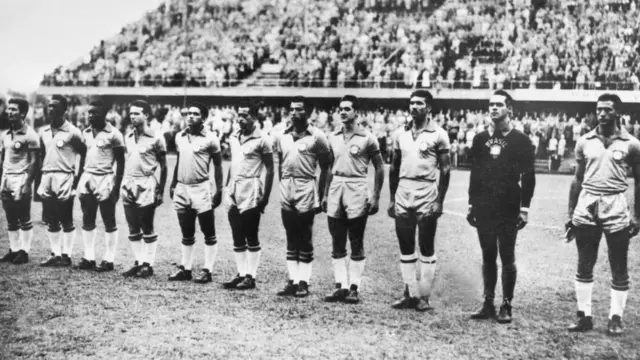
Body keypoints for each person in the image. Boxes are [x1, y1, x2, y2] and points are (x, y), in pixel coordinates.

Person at [566, 93, 640, 336]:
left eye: (608, 109)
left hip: (615, 204)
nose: (602, 113)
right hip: (587, 203)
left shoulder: (631, 143)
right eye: (599, 109)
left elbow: (639, 182)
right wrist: (571, 212)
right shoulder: (585, 141)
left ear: (617, 112)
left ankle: (615, 318)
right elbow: (577, 180)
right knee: (584, 262)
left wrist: (637, 216)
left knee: (618, 263)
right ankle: (583, 316)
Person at [467, 90, 536, 324]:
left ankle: (506, 304)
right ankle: (488, 302)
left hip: (508, 204)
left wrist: (524, 208)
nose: (493, 108)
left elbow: (528, 176)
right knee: (487, 255)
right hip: (484, 205)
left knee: (507, 255)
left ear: (510, 109)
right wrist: (471, 203)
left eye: (499, 105)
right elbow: (475, 174)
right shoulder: (479, 139)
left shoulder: (521, 140)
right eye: (491, 105)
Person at [387, 89, 451, 312]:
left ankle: (424, 296)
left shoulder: (439, 134)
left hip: (426, 192)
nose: (414, 107)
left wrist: (439, 201)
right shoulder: (399, 134)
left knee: (425, 245)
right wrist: (392, 199)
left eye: (419, 104)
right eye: (411, 103)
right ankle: (409, 293)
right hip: (404, 191)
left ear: (429, 108)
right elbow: (393, 168)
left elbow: (445, 169)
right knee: (405, 246)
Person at [322, 95, 384, 304]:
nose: (343, 112)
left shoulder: (367, 138)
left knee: (356, 240)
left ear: (356, 112)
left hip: (357, 187)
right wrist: (324, 193)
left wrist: (375, 196)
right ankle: (341, 285)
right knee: (336, 239)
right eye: (340, 109)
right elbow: (329, 167)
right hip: (336, 187)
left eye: (347, 109)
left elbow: (379, 166)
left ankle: (354, 287)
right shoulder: (333, 136)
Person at [274, 96, 330, 298]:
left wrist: (322, 194)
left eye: (298, 109)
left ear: (308, 112)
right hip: (287, 185)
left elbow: (326, 167)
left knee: (304, 235)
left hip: (306, 185)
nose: (293, 113)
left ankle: (304, 282)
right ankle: (292, 280)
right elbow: (281, 163)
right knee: (290, 235)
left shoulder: (317, 136)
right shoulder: (282, 135)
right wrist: (283, 184)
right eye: (291, 109)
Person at [222, 100, 274, 290]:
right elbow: (233, 163)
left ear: (254, 117)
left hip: (251, 187)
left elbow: (270, 169)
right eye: (239, 115)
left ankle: (251, 276)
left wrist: (265, 197)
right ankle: (241, 273)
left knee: (250, 233)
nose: (241, 119)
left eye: (245, 115)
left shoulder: (263, 139)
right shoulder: (234, 136)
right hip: (234, 187)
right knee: (236, 233)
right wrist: (227, 187)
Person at [168, 102, 223, 284]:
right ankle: (186, 268)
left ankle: (207, 269)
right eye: (189, 113)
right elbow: (178, 161)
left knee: (208, 230)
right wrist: (173, 183)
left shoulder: (211, 138)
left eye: (196, 114)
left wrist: (219, 189)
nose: (191, 116)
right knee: (186, 229)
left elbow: (218, 165)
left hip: (201, 188)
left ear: (204, 118)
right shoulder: (179, 137)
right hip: (183, 188)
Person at [74, 100, 125, 272]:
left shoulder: (114, 134)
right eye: (89, 112)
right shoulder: (85, 132)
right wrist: (79, 178)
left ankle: (109, 259)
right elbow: (83, 157)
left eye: (95, 113)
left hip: (105, 178)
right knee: (87, 217)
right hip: (88, 177)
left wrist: (116, 188)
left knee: (108, 219)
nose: (90, 115)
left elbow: (121, 163)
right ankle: (89, 257)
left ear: (104, 115)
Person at [37, 95, 87, 267]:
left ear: (64, 110)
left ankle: (66, 255)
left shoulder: (73, 132)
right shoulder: (43, 132)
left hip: (65, 176)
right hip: (47, 176)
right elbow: (42, 156)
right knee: (51, 218)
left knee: (66, 217)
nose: (51, 109)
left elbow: (84, 153)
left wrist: (77, 177)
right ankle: (55, 254)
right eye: (49, 106)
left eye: (55, 106)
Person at [120, 100, 168, 278]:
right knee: (133, 226)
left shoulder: (156, 137)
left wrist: (160, 191)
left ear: (146, 115)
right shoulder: (128, 136)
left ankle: (148, 264)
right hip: (129, 183)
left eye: (137, 113)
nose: (132, 116)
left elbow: (164, 166)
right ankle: (139, 262)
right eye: (131, 113)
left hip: (147, 184)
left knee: (146, 225)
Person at [0, 98, 40, 264]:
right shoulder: (5, 134)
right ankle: (14, 249)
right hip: (7, 178)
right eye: (8, 109)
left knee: (24, 216)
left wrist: (27, 183)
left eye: (14, 110)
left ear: (23, 113)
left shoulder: (30, 135)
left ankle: (24, 251)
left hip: (21, 178)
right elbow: (3, 158)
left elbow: (34, 161)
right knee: (10, 216)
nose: (9, 112)